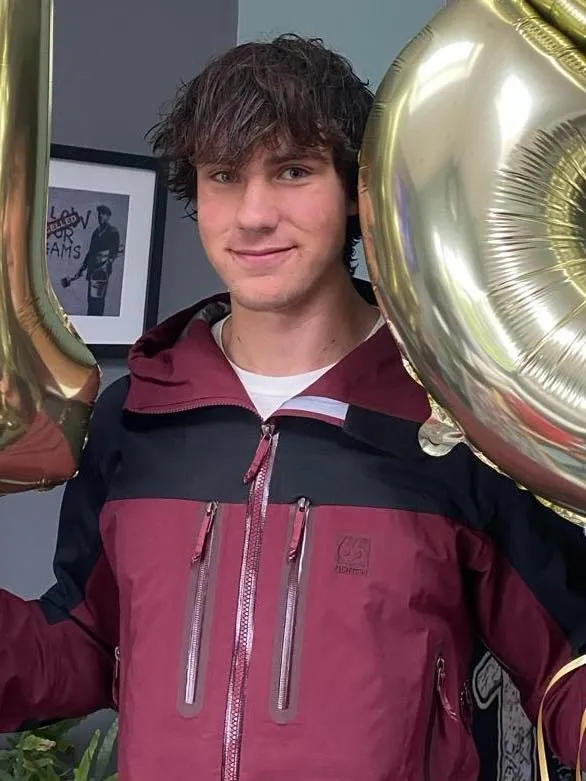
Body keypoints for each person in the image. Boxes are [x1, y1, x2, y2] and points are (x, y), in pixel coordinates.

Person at [1, 34, 586, 781]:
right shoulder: (137, 415)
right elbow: (82, 645)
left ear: (356, 191)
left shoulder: (452, 415)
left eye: (293, 171)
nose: (253, 214)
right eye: (224, 175)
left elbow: (569, 659)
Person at [63, 205, 120, 316]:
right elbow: (91, 253)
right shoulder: (96, 233)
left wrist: (107, 263)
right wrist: (82, 269)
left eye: (103, 214)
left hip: (102, 272)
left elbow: (114, 252)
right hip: (92, 270)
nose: (100, 216)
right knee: (91, 301)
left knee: (99, 301)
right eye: (99, 214)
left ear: (108, 217)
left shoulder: (113, 232)